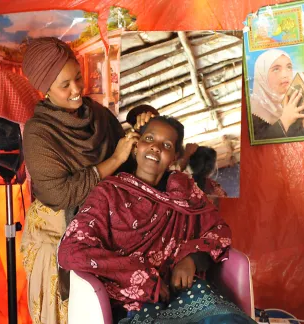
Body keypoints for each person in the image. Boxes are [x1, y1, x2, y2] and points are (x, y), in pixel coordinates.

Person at [57, 116, 254, 323]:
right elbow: (71, 250)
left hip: (185, 293)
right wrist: (143, 279)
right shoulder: (109, 193)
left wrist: (192, 258)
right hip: (131, 301)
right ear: (136, 146)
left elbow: (218, 230)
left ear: (175, 157)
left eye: (166, 145)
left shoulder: (186, 192)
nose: (155, 147)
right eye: (149, 138)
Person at [19, 37, 152, 324]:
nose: (77, 89)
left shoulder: (99, 116)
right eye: (64, 85)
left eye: (78, 78)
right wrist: (113, 161)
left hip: (108, 234)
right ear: (44, 89)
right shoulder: (38, 133)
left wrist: (139, 135)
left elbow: (128, 167)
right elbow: (60, 193)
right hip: (59, 238)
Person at [250, 48, 304, 139]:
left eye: (289, 67)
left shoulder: (294, 101)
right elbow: (259, 148)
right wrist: (285, 121)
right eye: (276, 69)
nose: (285, 75)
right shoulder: (253, 110)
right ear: (261, 76)